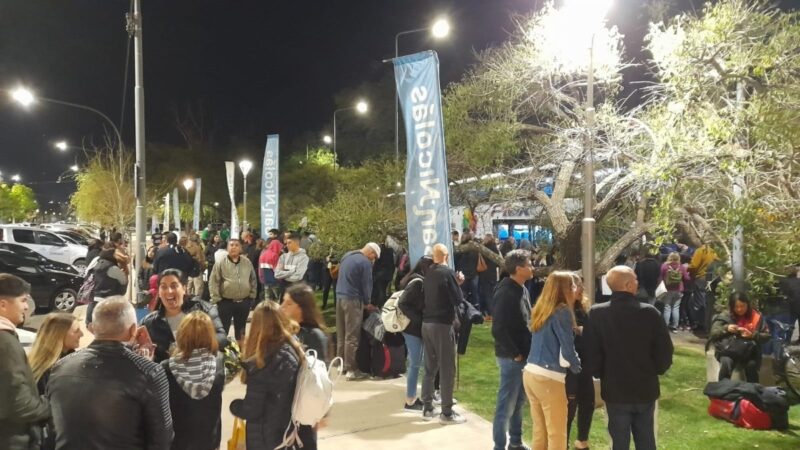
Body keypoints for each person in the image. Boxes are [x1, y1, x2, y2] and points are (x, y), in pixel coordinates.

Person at [48, 297, 173, 449]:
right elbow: (161, 440)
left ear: (93, 328)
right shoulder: (150, 372)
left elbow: (54, 429)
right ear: (133, 330)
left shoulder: (60, 367)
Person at [584, 266, 673, 450]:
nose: (638, 282)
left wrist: (601, 373)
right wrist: (656, 369)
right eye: (635, 279)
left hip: (614, 388)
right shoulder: (649, 313)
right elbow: (664, 350)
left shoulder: (597, 314)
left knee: (619, 442)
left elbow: (591, 352)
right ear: (628, 285)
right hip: (645, 386)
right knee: (646, 440)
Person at [230, 301, 315, 450]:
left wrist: (235, 406)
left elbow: (252, 409)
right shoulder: (293, 350)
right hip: (286, 431)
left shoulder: (262, 363)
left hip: (265, 438)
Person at [522, 271, 581, 450]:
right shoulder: (562, 311)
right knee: (557, 433)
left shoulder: (541, 308)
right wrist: (578, 367)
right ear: (564, 289)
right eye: (572, 285)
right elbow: (568, 349)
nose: (575, 288)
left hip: (531, 373)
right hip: (549, 376)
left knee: (540, 431)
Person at [0, 274, 51, 450]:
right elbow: (18, 403)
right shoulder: (5, 342)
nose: (26, 306)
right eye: (22, 300)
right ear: (3, 304)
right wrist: (51, 406)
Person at [162, 311, 225, 450]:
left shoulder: (166, 368)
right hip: (210, 439)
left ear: (181, 335)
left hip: (178, 441)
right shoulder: (219, 362)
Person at [491, 250, 534, 450]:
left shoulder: (522, 289)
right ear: (518, 269)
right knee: (506, 404)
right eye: (529, 264)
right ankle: (499, 445)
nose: (532, 267)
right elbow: (498, 329)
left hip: (523, 355)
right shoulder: (506, 292)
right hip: (511, 358)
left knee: (518, 402)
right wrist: (515, 353)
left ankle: (515, 442)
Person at [421, 243, 467, 424]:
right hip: (442, 324)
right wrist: (459, 284)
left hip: (427, 323)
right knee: (447, 368)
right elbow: (458, 299)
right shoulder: (447, 273)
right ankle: (446, 412)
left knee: (430, 367)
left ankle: (427, 407)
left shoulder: (429, 273)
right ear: (447, 256)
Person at [141, 268, 228, 363]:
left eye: (174, 286)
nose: (169, 291)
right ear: (159, 292)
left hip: (202, 369)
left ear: (184, 288)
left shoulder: (203, 309)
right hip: (168, 371)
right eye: (164, 287)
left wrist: (196, 344)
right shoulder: (149, 323)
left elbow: (222, 338)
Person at [335, 242, 380, 381]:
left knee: (341, 334)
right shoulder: (365, 262)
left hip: (339, 297)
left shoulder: (347, 255)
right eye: (374, 257)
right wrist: (367, 302)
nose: (373, 260)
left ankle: (340, 364)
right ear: (371, 253)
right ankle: (351, 369)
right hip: (353, 300)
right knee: (352, 335)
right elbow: (367, 284)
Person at [397, 255, 435, 411]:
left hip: (414, 328)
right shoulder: (417, 283)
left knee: (418, 363)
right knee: (415, 364)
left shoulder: (416, 280)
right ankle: (410, 399)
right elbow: (403, 303)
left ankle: (417, 396)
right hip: (413, 330)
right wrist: (418, 320)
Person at [708, 292, 770, 382]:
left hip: (749, 352)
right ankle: (722, 387)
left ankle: (753, 389)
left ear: (747, 304)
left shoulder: (756, 317)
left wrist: (752, 335)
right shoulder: (725, 315)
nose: (739, 309)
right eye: (736, 307)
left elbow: (767, 336)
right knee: (726, 362)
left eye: (742, 306)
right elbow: (713, 333)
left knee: (751, 366)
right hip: (728, 350)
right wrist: (726, 328)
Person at [209, 239, 257, 344]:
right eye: (231, 245)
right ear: (227, 248)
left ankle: (241, 351)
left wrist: (252, 296)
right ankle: (223, 351)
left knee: (241, 331)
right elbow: (213, 281)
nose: (233, 247)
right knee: (223, 330)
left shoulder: (247, 262)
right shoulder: (220, 263)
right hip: (225, 302)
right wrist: (216, 299)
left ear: (240, 248)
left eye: (236, 245)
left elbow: (253, 279)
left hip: (244, 302)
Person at [566, 273, 594, 450]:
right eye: (577, 285)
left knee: (588, 403)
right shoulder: (561, 310)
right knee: (569, 408)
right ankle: (562, 443)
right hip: (568, 367)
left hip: (585, 364)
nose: (581, 288)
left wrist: (583, 331)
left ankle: (581, 441)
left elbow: (591, 333)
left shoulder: (582, 309)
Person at [29, 313, 83, 395]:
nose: (81, 334)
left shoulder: (72, 357)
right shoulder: (44, 371)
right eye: (76, 331)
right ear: (59, 335)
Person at [281, 283, 328, 360]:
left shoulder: (313, 335)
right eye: (283, 301)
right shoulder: (285, 330)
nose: (282, 307)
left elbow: (317, 365)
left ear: (302, 308)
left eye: (289, 304)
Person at [85, 245, 129, 326]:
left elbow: (86, 274)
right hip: (107, 304)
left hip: (93, 303)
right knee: (107, 328)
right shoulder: (113, 268)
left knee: (92, 326)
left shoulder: (95, 262)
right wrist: (124, 272)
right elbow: (123, 283)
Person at [659, 252, 690, 331]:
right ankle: (675, 325)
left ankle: (665, 325)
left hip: (668, 289)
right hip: (679, 290)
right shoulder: (681, 266)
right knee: (676, 308)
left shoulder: (664, 266)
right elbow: (686, 278)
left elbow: (660, 277)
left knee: (667, 307)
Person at [274, 232, 310, 301]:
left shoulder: (303, 258)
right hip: (284, 292)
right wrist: (292, 271)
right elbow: (277, 274)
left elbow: (298, 276)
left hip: (297, 291)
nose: (286, 245)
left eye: (289, 243)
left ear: (297, 243)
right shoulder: (283, 257)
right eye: (286, 243)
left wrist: (284, 275)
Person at [455, 231, 480, 309]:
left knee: (463, 294)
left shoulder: (459, 249)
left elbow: (456, 262)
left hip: (463, 274)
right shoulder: (475, 249)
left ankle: (463, 310)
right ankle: (476, 310)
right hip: (474, 274)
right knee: (475, 294)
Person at [479, 233, 501, 317]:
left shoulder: (484, 249)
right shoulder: (495, 248)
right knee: (493, 294)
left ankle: (491, 312)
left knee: (487, 294)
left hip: (485, 274)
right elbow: (498, 262)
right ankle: (495, 311)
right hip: (493, 274)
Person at [259, 229, 284, 302]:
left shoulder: (263, 254)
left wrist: (262, 279)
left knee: (267, 299)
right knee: (277, 300)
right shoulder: (275, 255)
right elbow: (277, 270)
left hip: (266, 280)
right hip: (275, 281)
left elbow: (260, 269)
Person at [371, 241, 396, 308]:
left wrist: (374, 275)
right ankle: (383, 304)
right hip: (387, 276)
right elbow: (393, 265)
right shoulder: (390, 253)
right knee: (383, 290)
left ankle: (381, 305)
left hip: (379, 275)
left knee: (380, 291)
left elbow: (376, 265)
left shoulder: (380, 253)